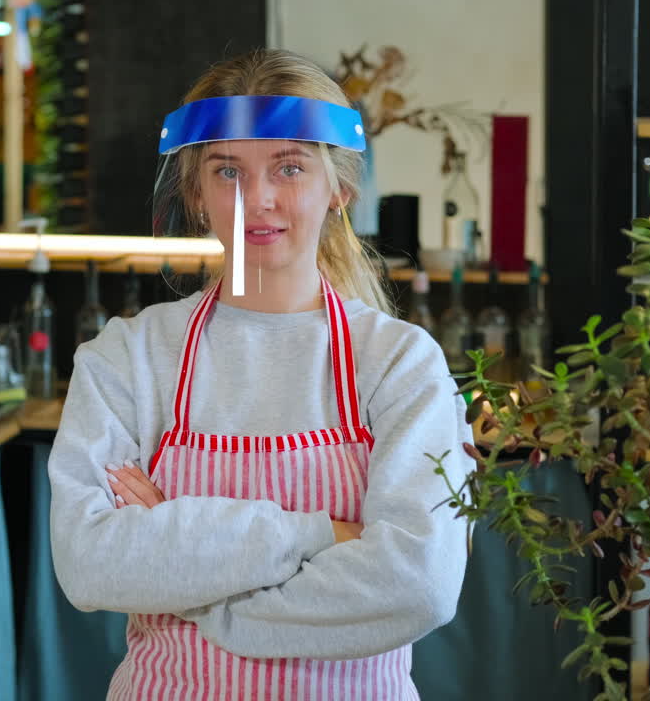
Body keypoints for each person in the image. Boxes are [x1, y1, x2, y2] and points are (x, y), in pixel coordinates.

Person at [48, 48, 474, 700]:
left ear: (340, 190)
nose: (259, 198)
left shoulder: (399, 363)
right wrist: (321, 534)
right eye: (227, 171)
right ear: (196, 193)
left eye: (290, 167)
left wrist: (202, 594)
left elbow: (417, 584)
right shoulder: (125, 359)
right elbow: (88, 563)